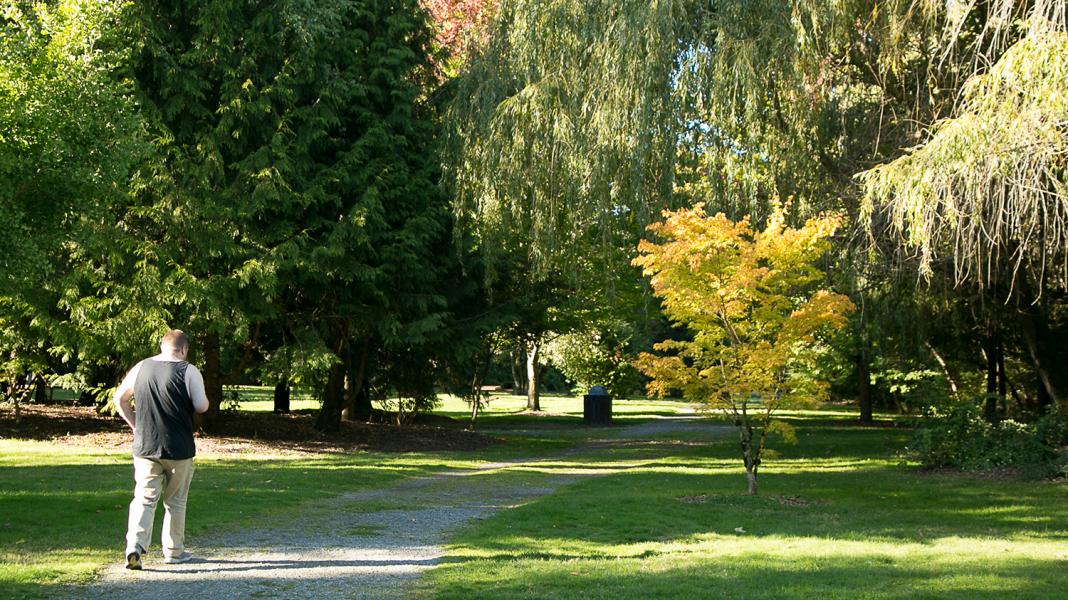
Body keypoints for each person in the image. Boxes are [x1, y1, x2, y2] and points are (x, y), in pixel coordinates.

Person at [113, 329, 210, 570]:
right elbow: (201, 406)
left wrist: (136, 425)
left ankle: (134, 547)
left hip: (146, 446)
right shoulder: (189, 370)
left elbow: (120, 399)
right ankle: (174, 551)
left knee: (144, 498)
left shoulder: (141, 367)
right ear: (184, 349)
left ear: (162, 346)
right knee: (176, 500)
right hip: (179, 448)